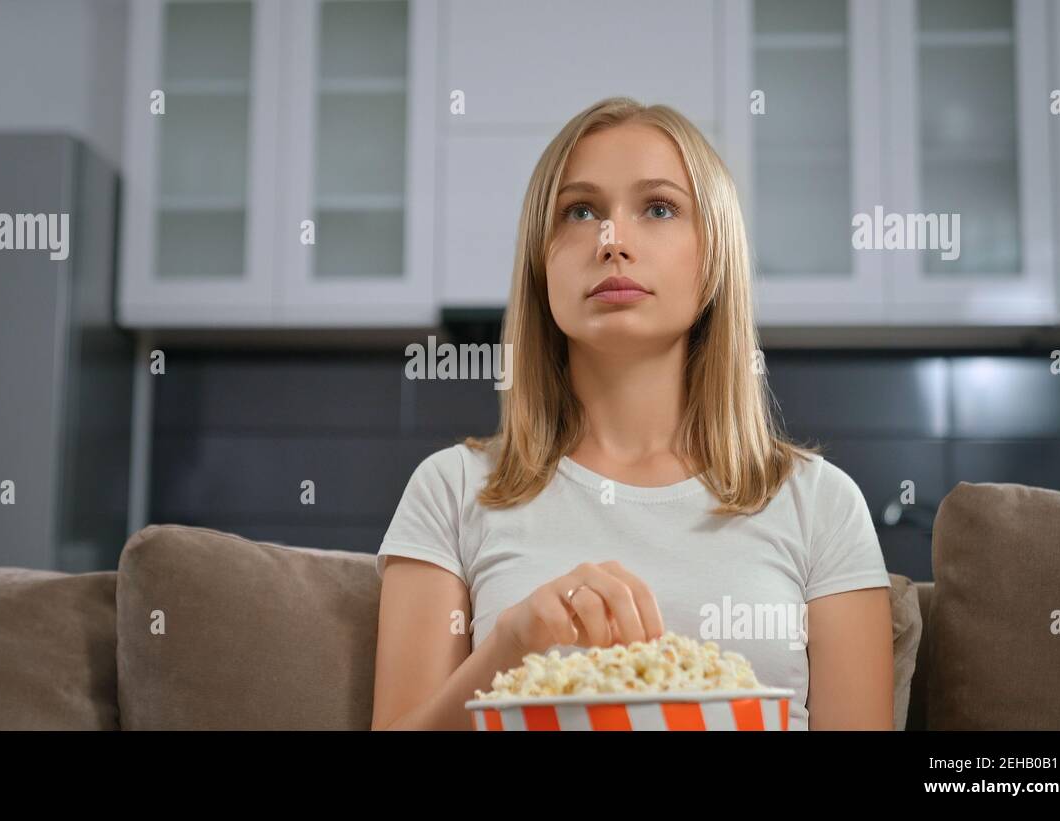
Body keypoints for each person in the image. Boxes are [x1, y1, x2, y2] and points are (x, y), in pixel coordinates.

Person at [371, 97, 893, 731]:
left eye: (660, 208)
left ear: (714, 259)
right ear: (542, 263)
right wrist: (509, 646)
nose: (613, 240)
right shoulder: (451, 490)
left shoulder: (822, 506)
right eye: (580, 211)